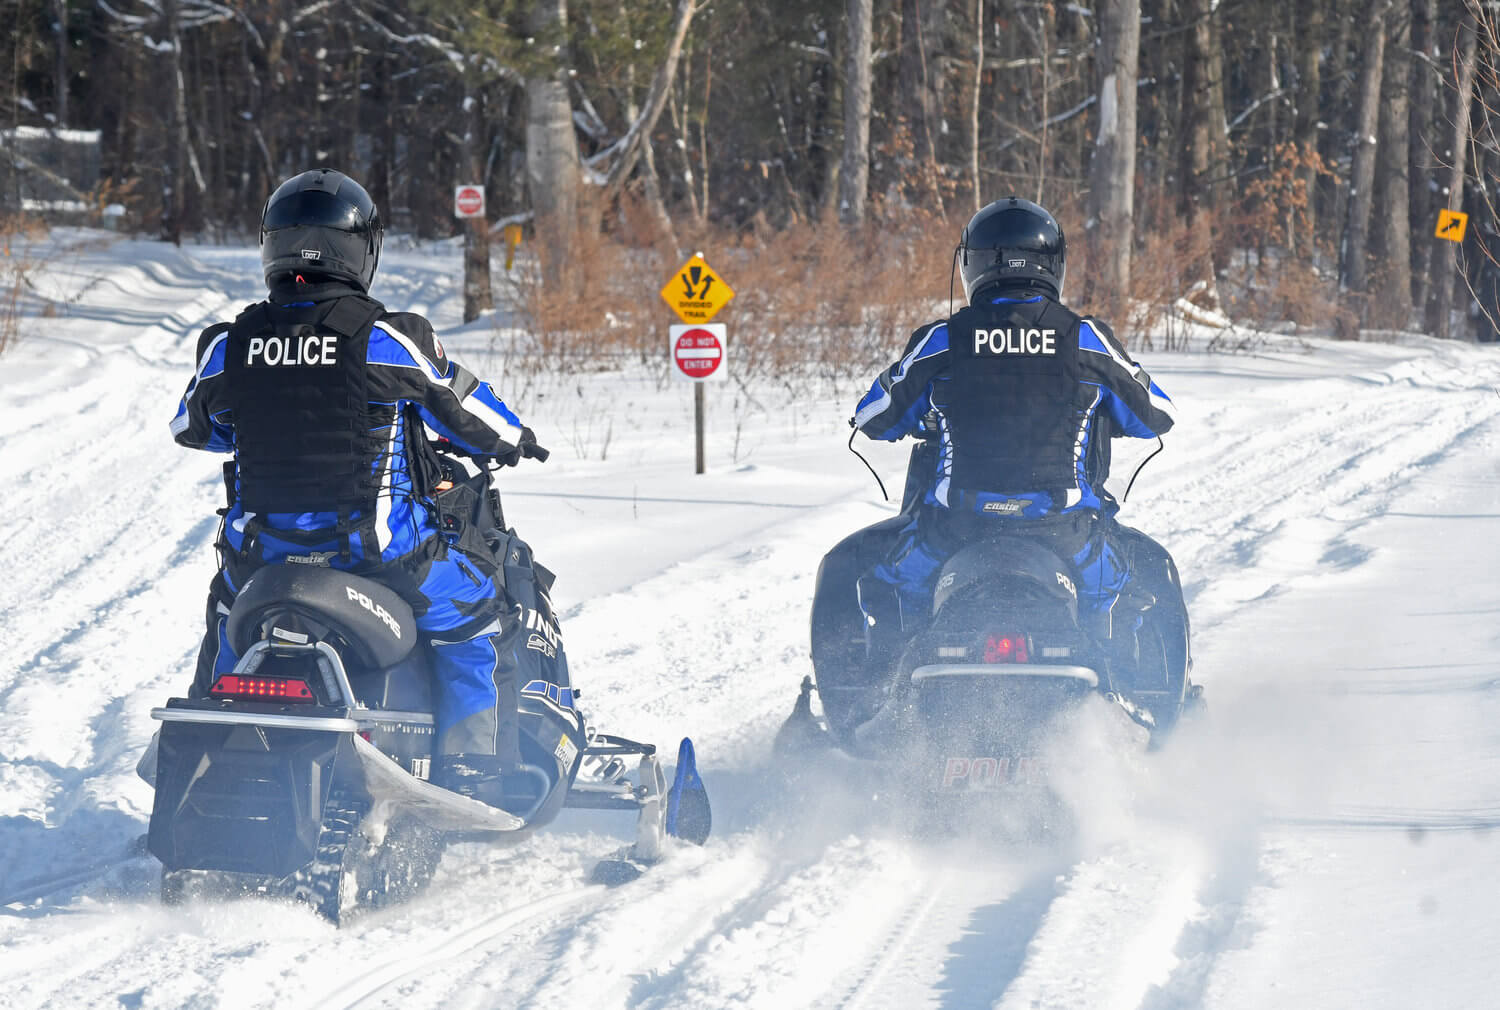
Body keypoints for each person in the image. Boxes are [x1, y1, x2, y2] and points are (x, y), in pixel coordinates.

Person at [170, 168, 542, 807]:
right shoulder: (382, 338)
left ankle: (208, 743)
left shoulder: (230, 346)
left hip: (262, 561)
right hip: (384, 561)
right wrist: (515, 440)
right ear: (361, 249)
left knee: (227, 614)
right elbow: (474, 415)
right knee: (482, 620)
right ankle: (476, 771)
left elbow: (192, 428)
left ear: (273, 245)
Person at [851, 196, 1179, 689]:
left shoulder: (942, 341)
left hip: (954, 533)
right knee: (1123, 595)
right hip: (1066, 535)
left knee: (890, 587)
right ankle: (1132, 705)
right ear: (1054, 266)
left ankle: (882, 705)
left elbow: (873, 417)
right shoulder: (1085, 339)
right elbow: (1157, 415)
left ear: (973, 265)